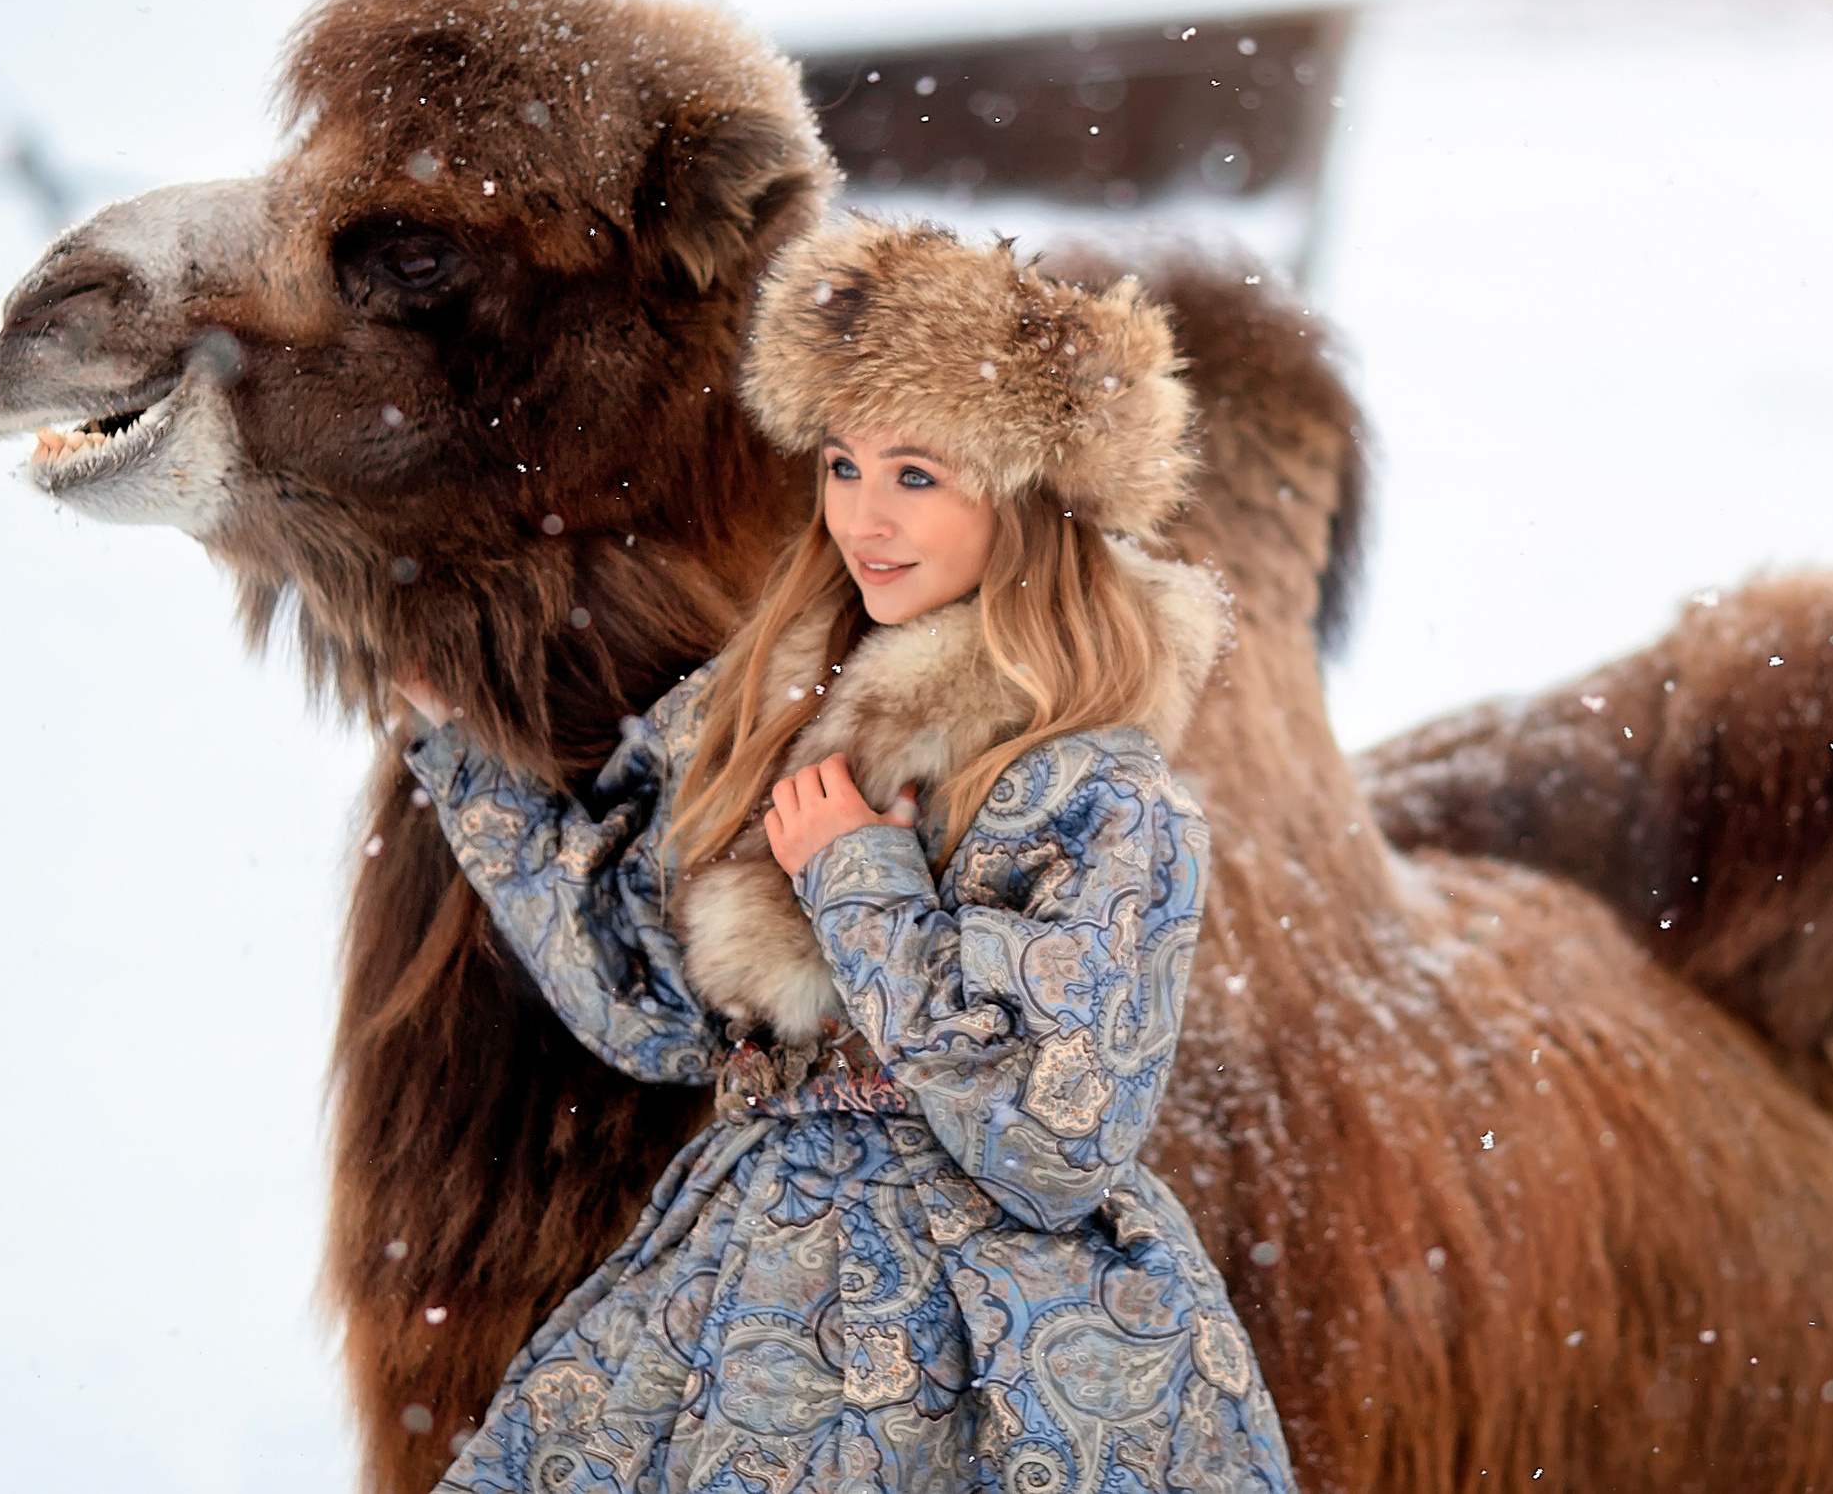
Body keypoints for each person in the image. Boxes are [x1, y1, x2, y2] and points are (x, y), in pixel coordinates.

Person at [397, 218, 1294, 1494]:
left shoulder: (1096, 793)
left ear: (1028, 497)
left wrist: (862, 883)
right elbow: (646, 1004)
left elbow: (1052, 1144)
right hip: (736, 1291)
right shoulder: (756, 711)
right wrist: (467, 760)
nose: (864, 517)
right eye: (841, 464)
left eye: (918, 475)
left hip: (1000, 1342)